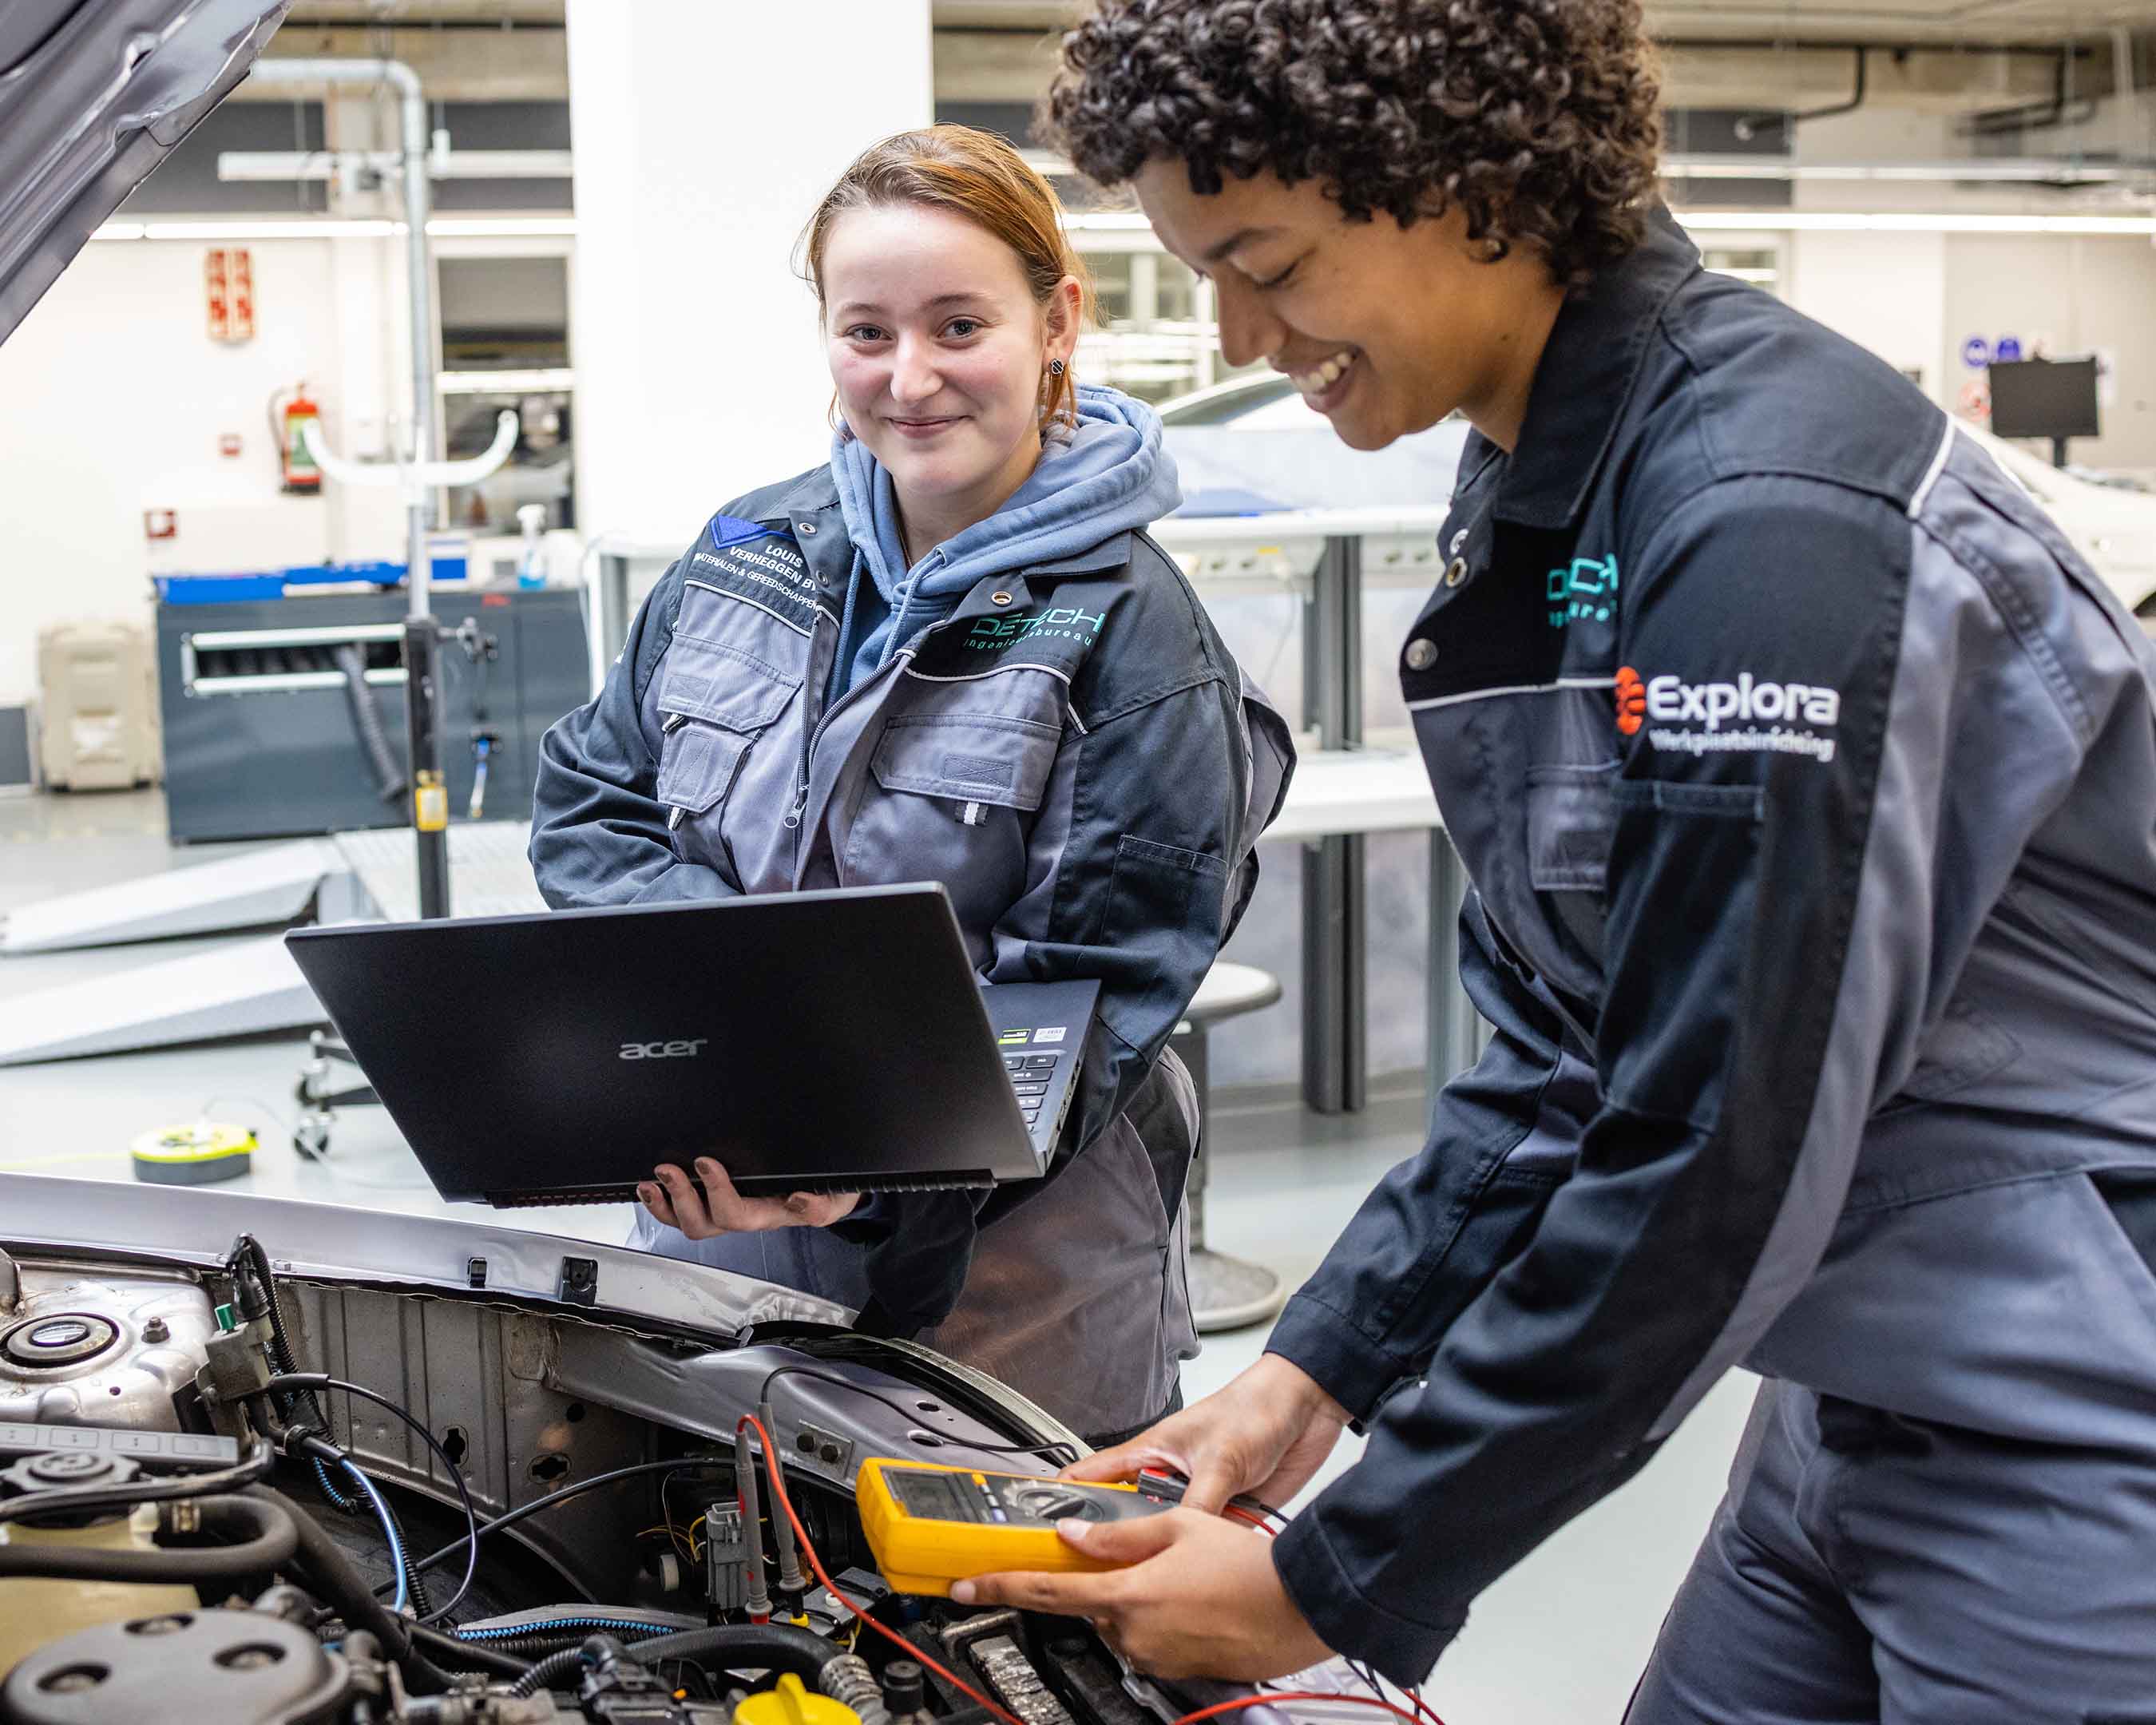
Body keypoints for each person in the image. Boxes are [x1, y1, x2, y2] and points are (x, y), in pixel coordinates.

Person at [955, 3, 2156, 1717]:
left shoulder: (1764, 522)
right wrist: (1313, 1374)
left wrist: (1333, 1577)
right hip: (1839, 1394)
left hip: (2081, 1418)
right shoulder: (1543, 492)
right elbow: (1560, 1051)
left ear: (1464, 184)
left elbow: (1711, 1136)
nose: (1233, 329)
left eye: (1264, 260)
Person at [528, 125, 1292, 1449]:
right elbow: (591, 804)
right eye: (865, 331)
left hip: (1014, 1308)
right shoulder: (748, 551)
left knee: (996, 1643)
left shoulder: (1135, 634)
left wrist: (857, 1174)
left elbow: (1091, 1006)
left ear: (1058, 321)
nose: (909, 378)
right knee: (718, 1604)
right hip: (716, 1256)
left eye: (957, 325)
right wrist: (747, 1069)